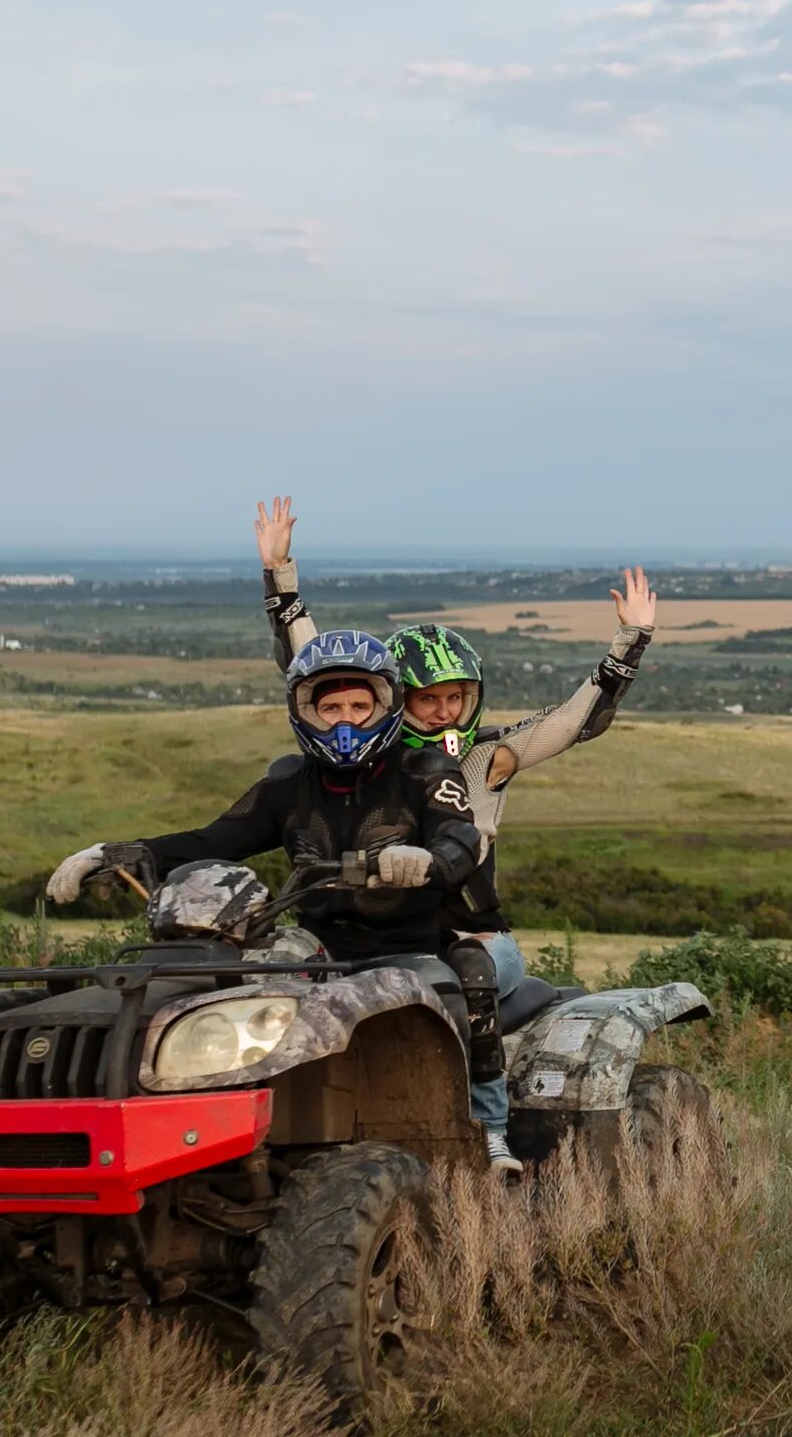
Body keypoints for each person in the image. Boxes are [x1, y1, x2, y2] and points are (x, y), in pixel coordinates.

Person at [251, 497, 659, 1170]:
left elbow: (573, 720)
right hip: (363, 934)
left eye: (455, 697)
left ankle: (488, 1130)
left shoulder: (488, 759)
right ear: (394, 698)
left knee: (456, 976)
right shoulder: (362, 763)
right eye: (427, 699)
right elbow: (316, 668)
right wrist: (281, 580)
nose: (444, 711)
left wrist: (628, 643)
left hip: (470, 937)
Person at [42, 627, 481, 965]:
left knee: (468, 987)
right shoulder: (288, 786)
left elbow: (460, 837)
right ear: (305, 711)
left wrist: (427, 859)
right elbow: (210, 843)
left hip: (413, 953)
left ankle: (484, 1088)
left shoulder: (424, 770)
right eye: (330, 708)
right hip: (316, 951)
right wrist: (111, 854)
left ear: (384, 707)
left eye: (359, 707)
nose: (344, 722)